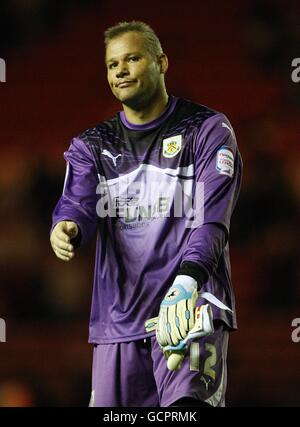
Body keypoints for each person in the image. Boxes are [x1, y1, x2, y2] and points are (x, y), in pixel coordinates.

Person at [50, 21, 242, 407]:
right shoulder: (92, 145)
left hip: (191, 306)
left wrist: (188, 283)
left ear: (161, 62)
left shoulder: (206, 130)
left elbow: (213, 219)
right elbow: (78, 203)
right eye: (111, 64)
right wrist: (66, 225)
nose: (120, 70)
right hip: (118, 322)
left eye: (132, 58)